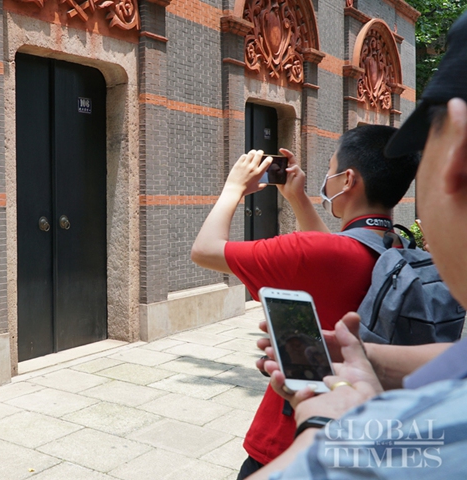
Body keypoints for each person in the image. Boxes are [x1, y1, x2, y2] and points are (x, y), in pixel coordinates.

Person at [249, 12, 467, 478]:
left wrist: (325, 426)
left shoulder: (406, 445)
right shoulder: (380, 242)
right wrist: (367, 361)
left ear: (458, 156)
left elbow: (205, 252)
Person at [190, 126, 419, 478]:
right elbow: (332, 254)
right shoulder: (395, 248)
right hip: (363, 429)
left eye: (330, 170)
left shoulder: (320, 252)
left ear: (348, 180)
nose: (325, 180)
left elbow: (204, 250)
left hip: (293, 436)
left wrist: (234, 188)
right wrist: (296, 198)